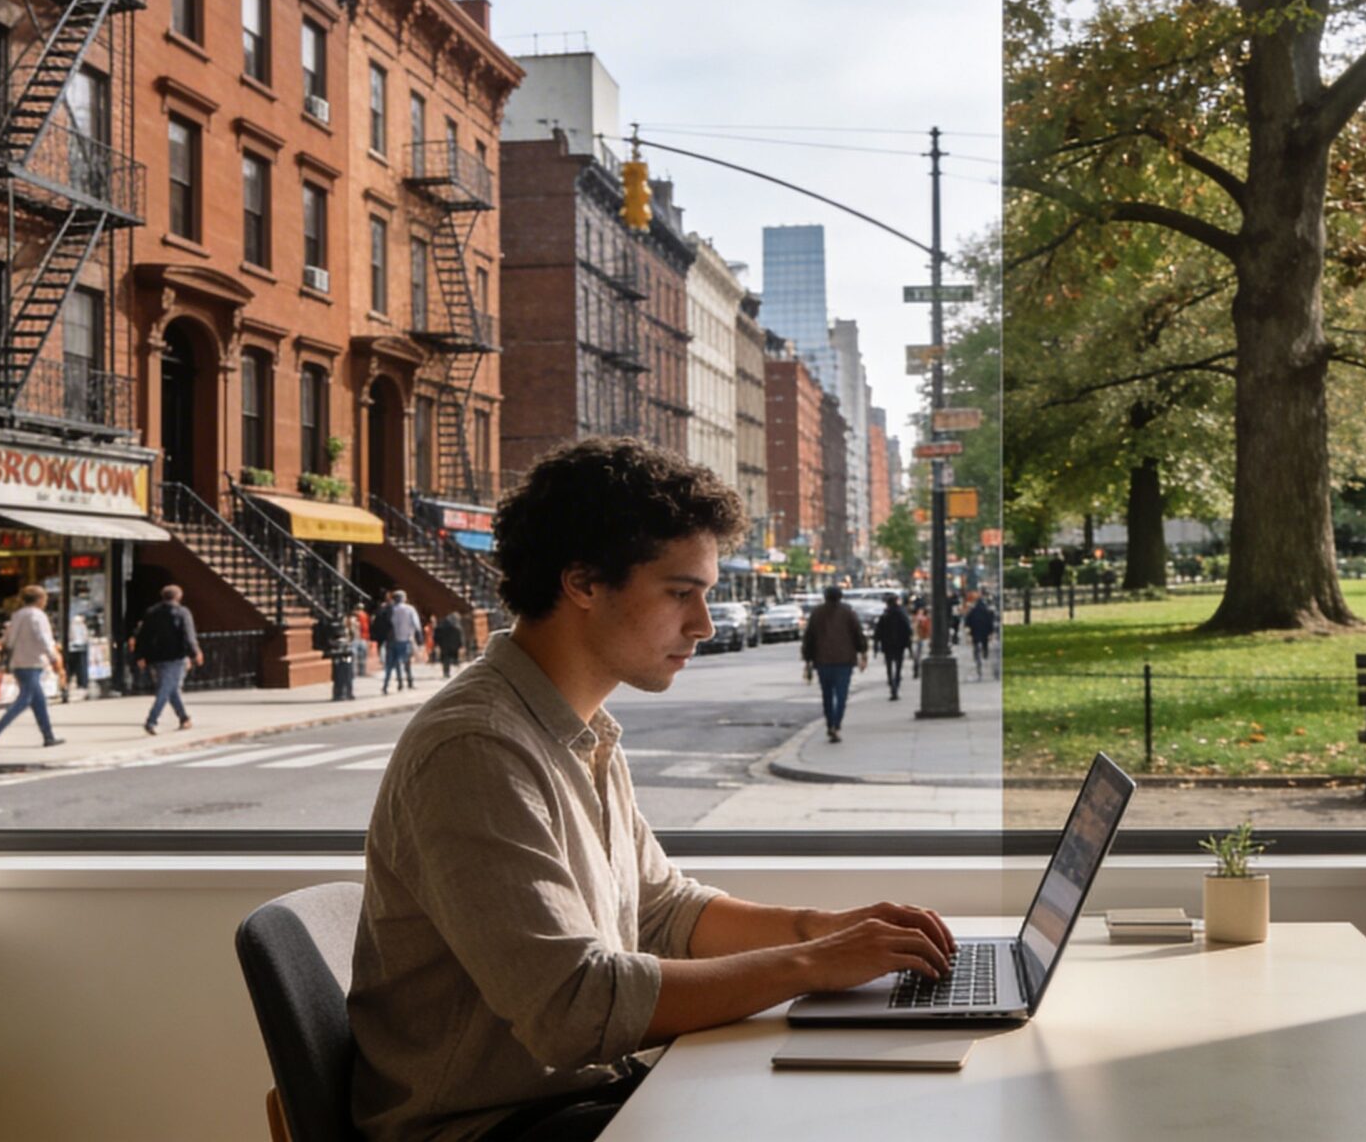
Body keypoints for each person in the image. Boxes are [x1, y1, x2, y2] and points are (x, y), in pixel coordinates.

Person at [349, 436, 952, 1142]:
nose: (701, 625)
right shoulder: (477, 748)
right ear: (582, 583)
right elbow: (573, 1008)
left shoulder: (581, 728)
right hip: (494, 1128)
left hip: (583, 1098)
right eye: (679, 594)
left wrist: (824, 928)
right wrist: (812, 964)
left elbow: (662, 912)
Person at [0, 584, 64, 753]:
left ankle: (48, 736)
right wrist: (53, 658)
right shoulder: (38, 616)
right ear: (39, 599)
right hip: (33, 662)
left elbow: (7, 641)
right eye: (44, 598)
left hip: (18, 663)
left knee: (39, 702)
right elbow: (43, 639)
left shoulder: (17, 615)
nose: (45, 601)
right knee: (23, 700)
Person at [129, 583, 203, 736]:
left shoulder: (151, 612)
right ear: (178, 597)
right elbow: (188, 635)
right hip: (175, 657)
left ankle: (184, 718)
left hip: (156, 657)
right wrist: (195, 652)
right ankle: (151, 720)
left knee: (171, 689)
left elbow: (143, 636)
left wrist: (140, 655)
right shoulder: (182, 613)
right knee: (165, 690)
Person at [800, 584, 868, 741]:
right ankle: (836, 724)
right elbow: (858, 634)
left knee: (827, 695)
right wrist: (863, 652)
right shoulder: (848, 613)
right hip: (844, 661)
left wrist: (808, 659)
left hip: (823, 661)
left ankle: (830, 723)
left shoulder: (817, 613)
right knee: (842, 695)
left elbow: (809, 638)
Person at [872, 593, 912, 701]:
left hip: (888, 644)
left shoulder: (885, 615)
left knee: (889, 665)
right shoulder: (901, 614)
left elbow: (877, 632)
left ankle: (891, 682)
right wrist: (909, 645)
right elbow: (908, 630)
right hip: (899, 644)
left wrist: (876, 646)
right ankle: (896, 682)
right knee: (898, 665)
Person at [965, 592, 997, 679]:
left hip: (975, 631)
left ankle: (976, 655)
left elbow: (968, 621)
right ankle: (985, 653)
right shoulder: (986, 611)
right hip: (984, 631)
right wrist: (991, 632)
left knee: (976, 643)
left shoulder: (973, 611)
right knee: (984, 642)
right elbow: (990, 622)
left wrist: (969, 631)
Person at [434, 608, 468, 678]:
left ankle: (446, 672)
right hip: (454, 644)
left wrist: (437, 643)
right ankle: (458, 672)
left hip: (444, 644)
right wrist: (461, 645)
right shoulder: (457, 626)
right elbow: (460, 635)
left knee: (446, 659)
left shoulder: (441, 624)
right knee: (455, 659)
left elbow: (436, 634)